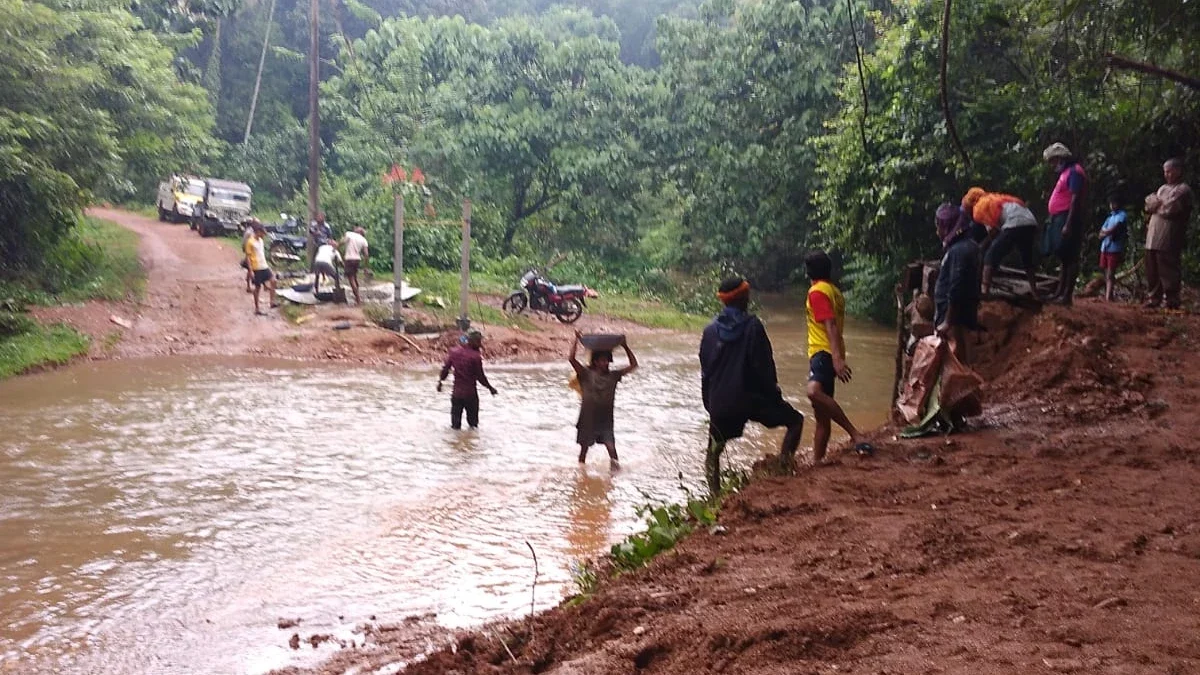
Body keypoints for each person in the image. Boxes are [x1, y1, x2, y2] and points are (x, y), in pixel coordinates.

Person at [699, 277, 804, 495]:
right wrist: (774, 395)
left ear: (724, 302)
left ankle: (714, 498)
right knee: (795, 421)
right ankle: (783, 471)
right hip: (752, 400)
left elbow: (706, 371)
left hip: (721, 402)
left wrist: (710, 403)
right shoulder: (753, 326)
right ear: (745, 298)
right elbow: (764, 366)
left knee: (713, 453)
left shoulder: (709, 332)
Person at [803, 251, 873, 463]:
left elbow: (830, 325)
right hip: (828, 352)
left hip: (823, 352)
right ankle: (817, 461)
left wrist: (836, 359)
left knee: (813, 393)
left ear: (808, 272)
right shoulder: (834, 291)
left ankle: (855, 434)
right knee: (822, 416)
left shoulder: (817, 292)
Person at [568, 331, 638, 467]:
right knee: (583, 452)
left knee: (612, 451)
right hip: (588, 419)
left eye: (607, 360)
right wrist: (576, 340)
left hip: (605, 420)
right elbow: (571, 359)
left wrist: (625, 346)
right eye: (602, 360)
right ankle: (581, 473)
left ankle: (613, 478)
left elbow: (634, 365)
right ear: (595, 362)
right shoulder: (586, 374)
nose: (606, 363)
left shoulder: (614, 376)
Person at [965, 188, 1040, 297]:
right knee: (1027, 258)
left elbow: (993, 231)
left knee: (990, 256)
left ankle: (985, 290)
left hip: (1014, 224)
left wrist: (982, 246)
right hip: (1030, 222)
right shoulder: (999, 198)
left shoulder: (979, 207)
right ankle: (1035, 291)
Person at [1143, 158, 1194, 310]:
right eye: (1165, 171)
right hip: (1153, 234)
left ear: (1178, 171)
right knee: (1151, 267)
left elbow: (1169, 209)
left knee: (1168, 267)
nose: (1167, 174)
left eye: (1170, 171)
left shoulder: (1183, 190)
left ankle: (1171, 299)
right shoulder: (1162, 188)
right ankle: (1154, 298)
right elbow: (1148, 204)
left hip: (1169, 235)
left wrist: (1156, 204)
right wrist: (1156, 203)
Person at [1043, 143, 1089, 306]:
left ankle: (1067, 295)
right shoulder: (1066, 173)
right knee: (1063, 256)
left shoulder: (1075, 172)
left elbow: (1075, 199)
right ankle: (1059, 292)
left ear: (1061, 158)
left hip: (1069, 217)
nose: (1053, 165)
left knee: (1070, 256)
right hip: (1060, 217)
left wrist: (1068, 223)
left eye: (1054, 161)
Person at [934, 203, 981, 361]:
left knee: (954, 356)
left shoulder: (959, 250)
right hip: (961, 313)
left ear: (947, 227)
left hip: (955, 317)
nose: (937, 232)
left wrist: (947, 321)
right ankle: (965, 379)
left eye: (939, 227)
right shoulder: (968, 245)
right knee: (961, 352)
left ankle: (961, 382)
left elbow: (957, 286)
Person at [437, 329, 497, 430]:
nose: (480, 344)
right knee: (473, 426)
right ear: (473, 341)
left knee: (455, 427)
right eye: (479, 341)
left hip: (457, 394)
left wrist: (440, 382)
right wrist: (490, 388)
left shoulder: (454, 352)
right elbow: (480, 377)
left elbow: (445, 369)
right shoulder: (475, 356)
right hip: (470, 395)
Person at [1098, 193, 1129, 303]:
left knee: (1111, 272)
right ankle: (1108, 294)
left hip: (1115, 248)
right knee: (1106, 272)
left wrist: (1106, 232)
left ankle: (1108, 296)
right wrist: (1106, 232)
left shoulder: (1122, 215)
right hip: (1106, 247)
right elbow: (1101, 233)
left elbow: (1114, 229)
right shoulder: (1110, 217)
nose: (1112, 205)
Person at [244, 221, 277, 316]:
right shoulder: (250, 242)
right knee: (257, 288)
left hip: (264, 265)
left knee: (273, 280)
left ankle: (272, 302)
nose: (263, 235)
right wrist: (250, 270)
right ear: (258, 231)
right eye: (262, 233)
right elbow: (248, 257)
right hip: (256, 267)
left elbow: (261, 254)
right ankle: (257, 308)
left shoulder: (261, 241)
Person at [341, 226, 370, 305]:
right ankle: (357, 296)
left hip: (349, 259)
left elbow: (342, 242)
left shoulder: (350, 234)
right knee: (354, 277)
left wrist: (336, 246)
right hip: (357, 259)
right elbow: (366, 254)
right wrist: (366, 266)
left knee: (351, 279)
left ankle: (358, 299)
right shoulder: (364, 240)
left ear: (358, 231)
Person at [240, 220, 256, 293]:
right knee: (250, 269)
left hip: (249, 252)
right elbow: (247, 243)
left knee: (250, 269)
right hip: (250, 252)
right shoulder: (250, 232)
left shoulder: (248, 231)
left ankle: (249, 285)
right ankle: (249, 286)